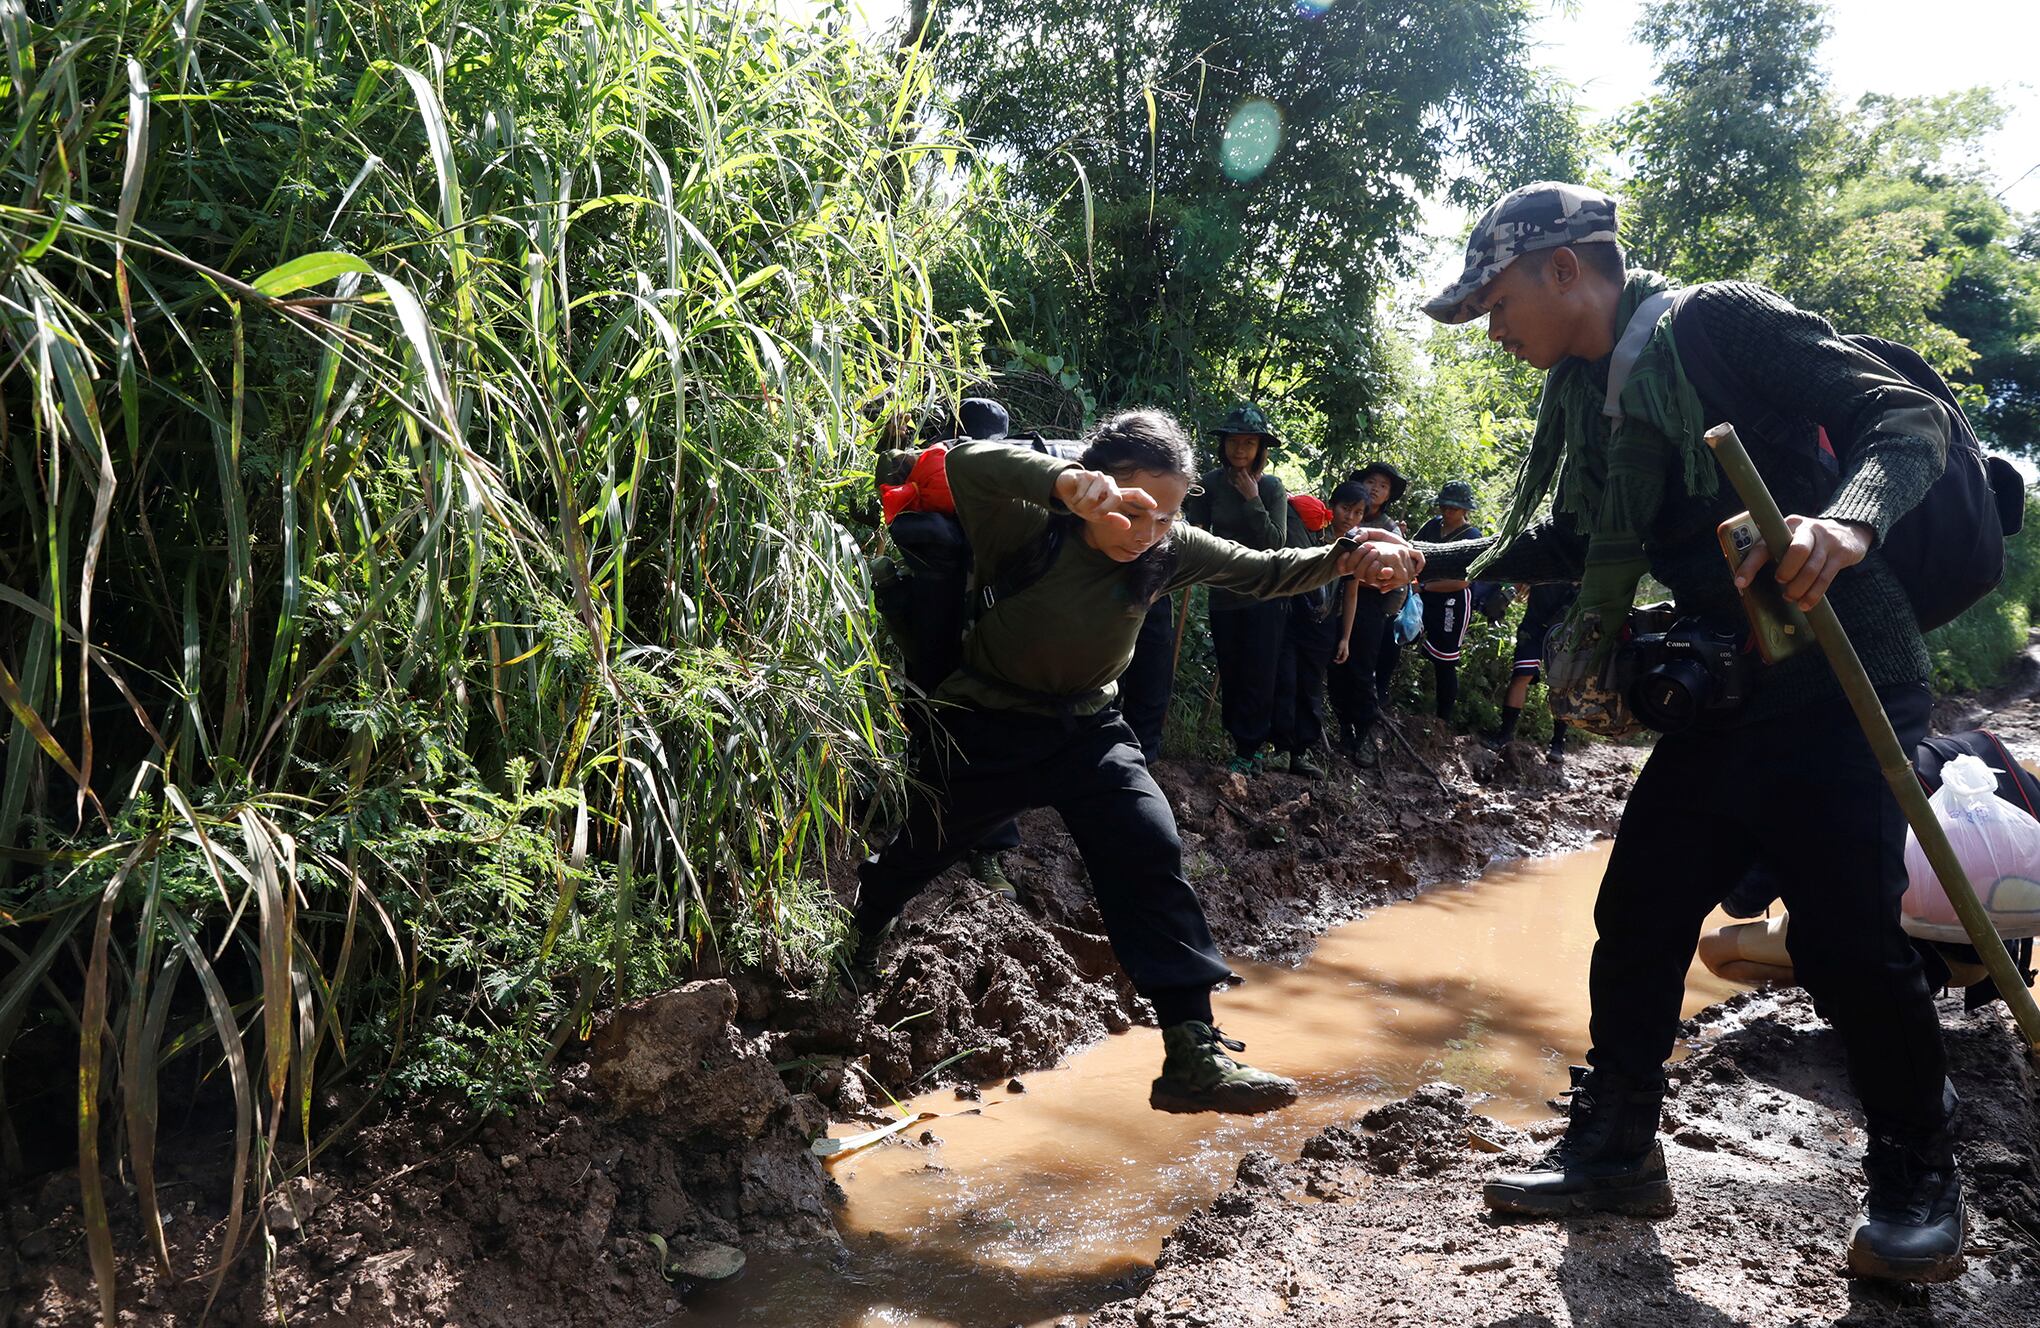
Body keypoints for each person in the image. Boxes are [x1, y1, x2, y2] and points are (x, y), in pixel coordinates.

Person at [1415, 181, 1962, 1280]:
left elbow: (1908, 423)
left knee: (1847, 933)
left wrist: (1842, 521)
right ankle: (1616, 1146)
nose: (1495, 327)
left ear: (1566, 268)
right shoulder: (1586, 394)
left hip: (1844, 672)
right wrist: (1421, 561)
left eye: (1499, 300)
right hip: (1733, 685)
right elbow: (1567, 535)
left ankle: (1917, 1180)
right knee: (1640, 905)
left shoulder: (1717, 321)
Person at [852, 409, 1423, 1113]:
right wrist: (1067, 484)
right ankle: (860, 932)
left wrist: (1344, 558)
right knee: (919, 851)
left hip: (1090, 726)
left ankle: (1192, 1048)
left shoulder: (1167, 545)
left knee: (1149, 849)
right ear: (1093, 487)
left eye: (1168, 516)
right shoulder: (1025, 526)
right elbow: (969, 461)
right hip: (989, 723)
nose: (1152, 531)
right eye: (1136, 511)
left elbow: (1265, 572)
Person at [1186, 403, 1289, 776]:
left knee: (1259, 672)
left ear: (1261, 448)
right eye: (1234, 441)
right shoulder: (1210, 483)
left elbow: (1275, 544)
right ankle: (1239, 742)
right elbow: (1194, 530)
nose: (1240, 449)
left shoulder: (1272, 487)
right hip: (1225, 592)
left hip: (1265, 593)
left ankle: (1252, 747)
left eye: (1249, 442)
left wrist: (1252, 500)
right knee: (1232, 670)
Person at [1327, 463, 1408, 767]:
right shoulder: (1342, 519)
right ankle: (1344, 731)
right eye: (1371, 482)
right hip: (1334, 600)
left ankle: (1364, 736)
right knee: (1335, 667)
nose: (1375, 489)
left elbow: (1401, 578)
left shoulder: (1389, 529)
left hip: (1370, 607)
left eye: (1383, 486)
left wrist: (1386, 612)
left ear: (1388, 496)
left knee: (1361, 670)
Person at [1269, 495, 1339, 778]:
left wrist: (1343, 637)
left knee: (1307, 686)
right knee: (1287, 682)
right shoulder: (1300, 540)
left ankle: (1297, 751)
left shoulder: (1333, 544)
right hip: (1291, 621)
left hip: (1317, 627)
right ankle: (1283, 750)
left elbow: (1346, 593)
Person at [1483, 581, 1580, 763]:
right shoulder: (1539, 556)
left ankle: (1558, 743)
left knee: (1561, 684)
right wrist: (1502, 600)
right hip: (1534, 626)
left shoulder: (1580, 558)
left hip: (1565, 630)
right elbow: (1519, 584)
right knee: (1521, 676)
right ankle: (1505, 735)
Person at [1412, 481, 1483, 722]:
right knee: (1406, 637)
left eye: (1454, 507)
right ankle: (1407, 698)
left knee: (1444, 660)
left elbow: (1463, 582)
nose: (1448, 511)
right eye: (1445, 506)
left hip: (1452, 602)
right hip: (1423, 595)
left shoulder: (1472, 537)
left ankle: (1443, 719)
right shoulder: (1432, 527)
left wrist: (1423, 586)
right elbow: (1413, 549)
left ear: (1465, 510)